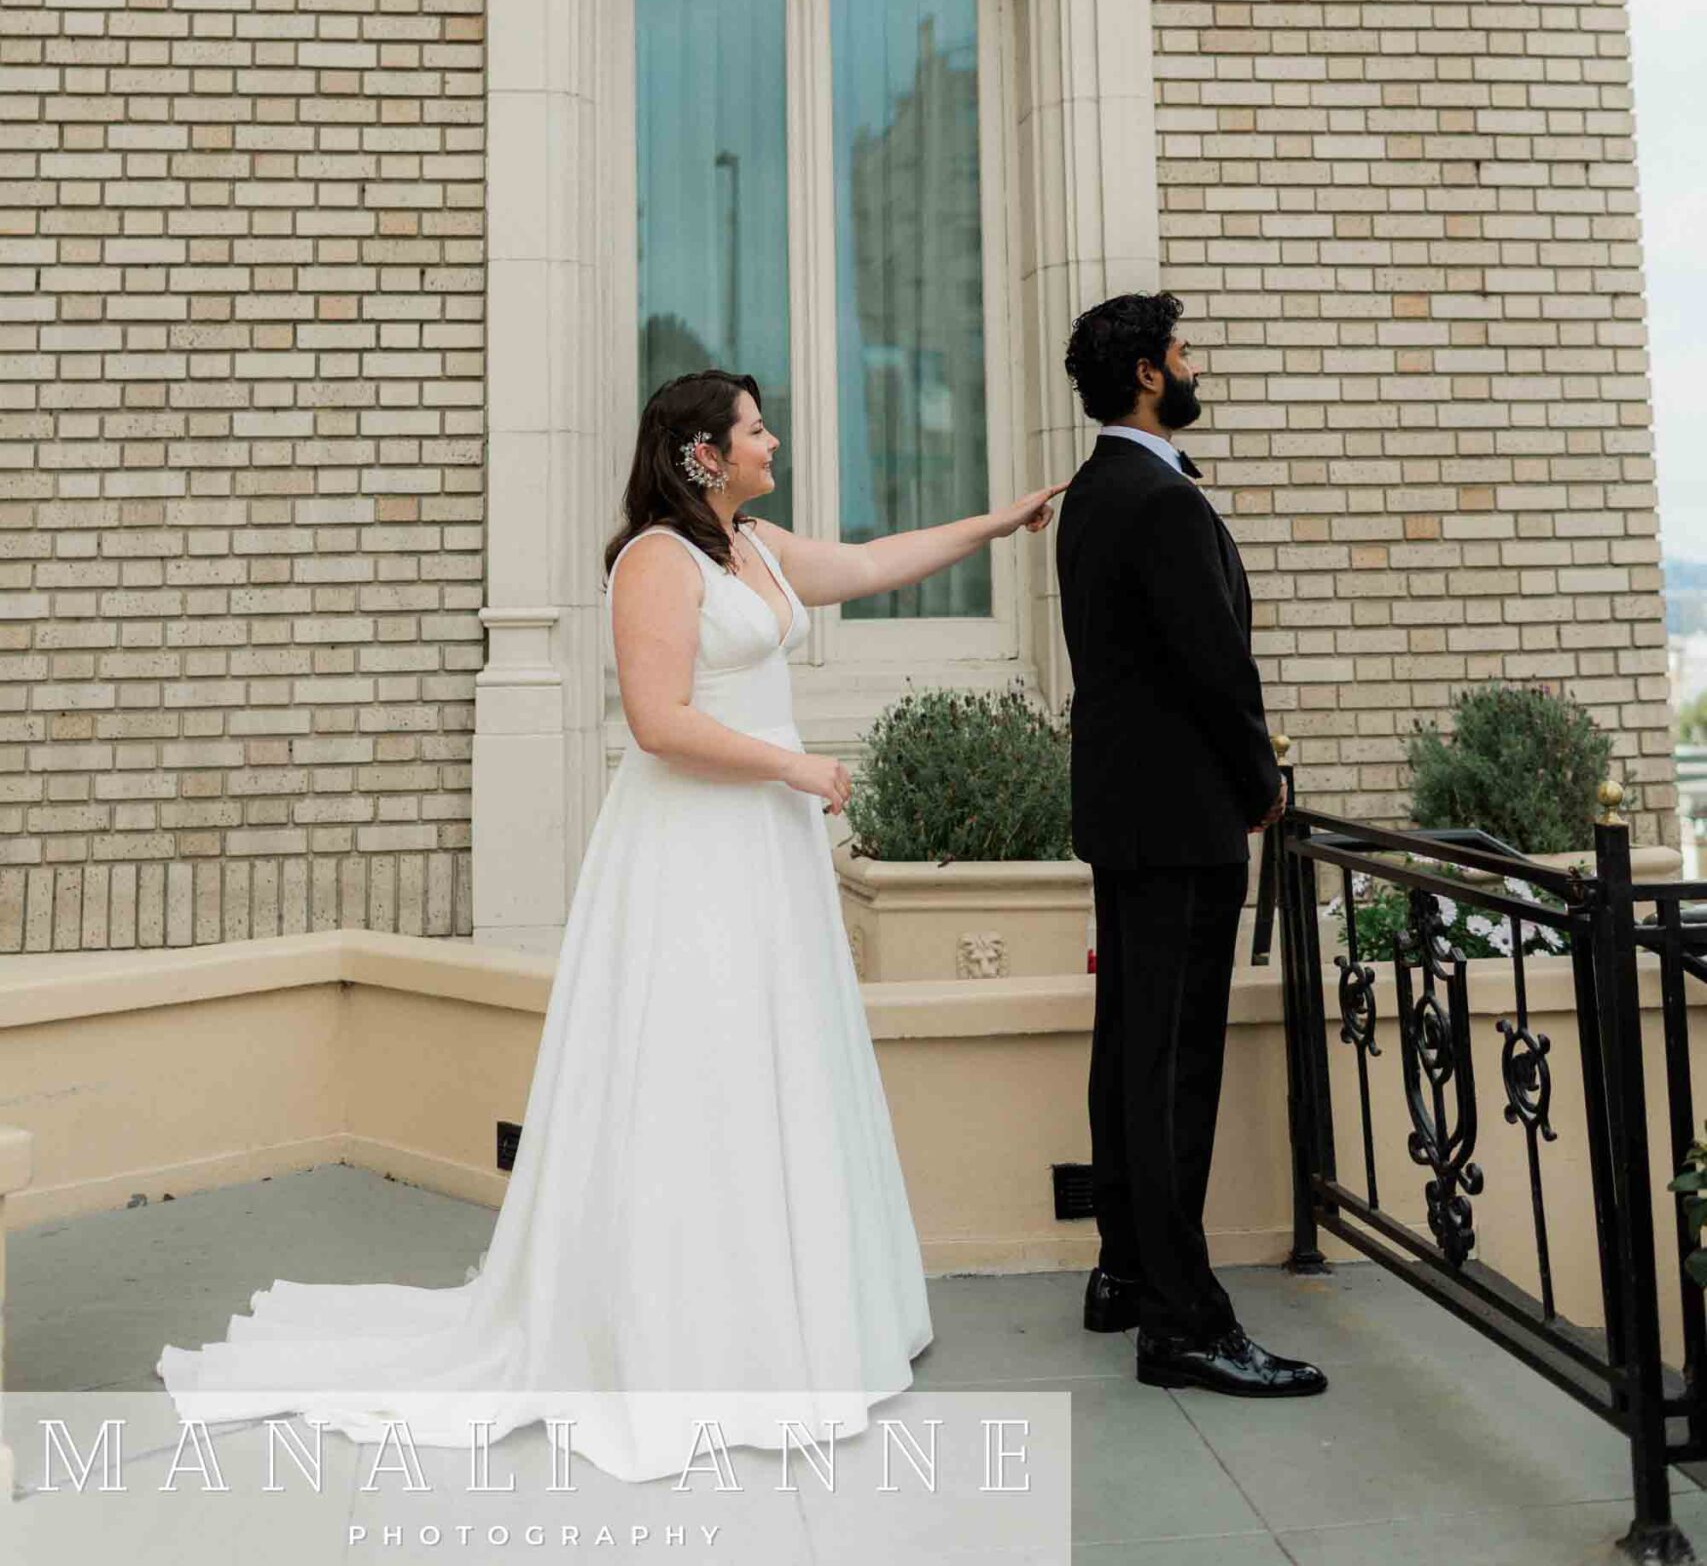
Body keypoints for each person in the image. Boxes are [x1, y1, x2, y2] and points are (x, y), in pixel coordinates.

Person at [156, 366, 1064, 1480]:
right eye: (754, 428)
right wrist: (797, 764)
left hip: (763, 858)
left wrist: (1004, 521)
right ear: (702, 453)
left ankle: (785, 1324)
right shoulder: (654, 560)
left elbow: (876, 564)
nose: (772, 440)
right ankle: (675, 1338)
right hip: (690, 854)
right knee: (692, 1074)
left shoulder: (760, 548)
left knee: (769, 1070)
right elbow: (658, 719)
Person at [1055, 293, 1327, 1399]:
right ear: (1148, 375)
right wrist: (1260, 782)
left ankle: (1125, 1268)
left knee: (1130, 1046)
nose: (1194, 362)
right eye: (1182, 350)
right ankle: (1182, 1320)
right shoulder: (1156, 500)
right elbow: (1215, 664)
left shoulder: (1091, 489)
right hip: (1179, 820)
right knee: (1174, 1069)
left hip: (1127, 816)